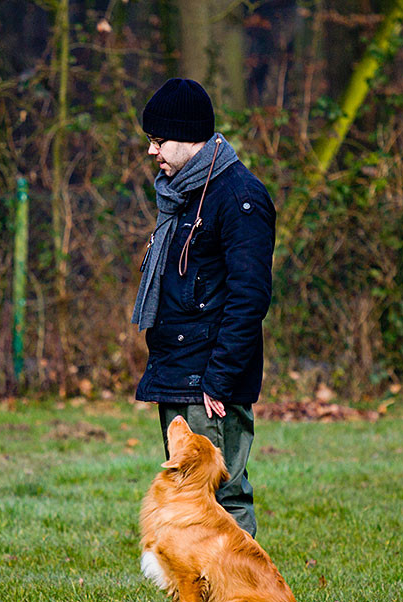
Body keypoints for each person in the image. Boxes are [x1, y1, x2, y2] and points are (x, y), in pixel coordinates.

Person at [133, 78, 275, 540]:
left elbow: (248, 297)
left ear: (189, 135)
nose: (153, 151)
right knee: (185, 498)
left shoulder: (239, 198)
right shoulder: (183, 193)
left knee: (222, 499)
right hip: (178, 369)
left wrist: (220, 377)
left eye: (159, 141)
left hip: (209, 381)